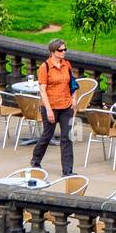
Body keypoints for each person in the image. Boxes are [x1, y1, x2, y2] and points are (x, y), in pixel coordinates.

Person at [31, 39, 77, 174]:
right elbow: (42, 90)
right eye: (61, 50)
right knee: (47, 135)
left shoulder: (67, 64)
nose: (64, 52)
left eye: (65, 49)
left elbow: (73, 84)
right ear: (52, 52)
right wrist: (49, 110)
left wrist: (73, 99)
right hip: (50, 106)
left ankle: (67, 171)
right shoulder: (44, 67)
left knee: (67, 138)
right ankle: (36, 159)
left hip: (66, 106)